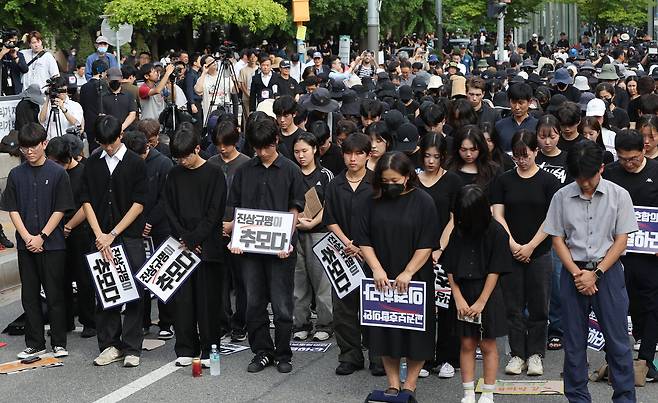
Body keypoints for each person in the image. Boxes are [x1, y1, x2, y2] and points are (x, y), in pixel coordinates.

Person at [544, 140, 638, 402]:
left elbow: (621, 240)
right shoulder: (561, 196)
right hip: (573, 274)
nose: (584, 184)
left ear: (602, 168)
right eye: (578, 178)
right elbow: (557, 240)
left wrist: (595, 274)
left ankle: (624, 398)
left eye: (589, 177)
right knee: (574, 344)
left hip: (608, 274)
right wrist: (577, 273)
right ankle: (577, 398)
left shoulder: (619, 195)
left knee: (618, 343)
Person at [226, 117, 305, 374]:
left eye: (266, 147)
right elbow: (236, 209)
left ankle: (283, 353)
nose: (261, 153)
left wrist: (287, 239)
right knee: (253, 304)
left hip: (282, 250)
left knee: (282, 305)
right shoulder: (245, 171)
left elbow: (295, 209)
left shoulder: (291, 170)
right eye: (257, 148)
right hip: (249, 250)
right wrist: (236, 238)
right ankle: (262, 351)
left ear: (276, 142)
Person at [357, 151, 439, 397]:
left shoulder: (423, 201)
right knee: (384, 331)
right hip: (381, 275)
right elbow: (364, 239)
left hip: (415, 276)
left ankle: (410, 384)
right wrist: (376, 268)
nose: (390, 185)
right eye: (385, 181)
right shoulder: (371, 201)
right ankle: (393, 383)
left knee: (416, 334)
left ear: (407, 177)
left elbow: (427, 242)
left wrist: (409, 272)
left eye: (395, 181)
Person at [1, 122, 74, 359]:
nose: (29, 152)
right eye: (25, 148)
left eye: (34, 147)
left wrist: (42, 236)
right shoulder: (15, 174)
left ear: (44, 144)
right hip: (26, 244)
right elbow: (12, 209)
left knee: (55, 294)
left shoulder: (58, 173)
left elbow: (61, 209)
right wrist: (26, 237)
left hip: (52, 244)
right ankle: (35, 342)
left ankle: (59, 341)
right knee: (29, 295)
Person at [80, 115, 148, 368]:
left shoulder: (135, 163)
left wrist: (113, 234)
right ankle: (109, 344)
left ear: (120, 136)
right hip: (99, 237)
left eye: (112, 142)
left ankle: (132, 347)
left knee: (133, 293)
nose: (108, 148)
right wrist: (100, 235)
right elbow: (85, 200)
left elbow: (139, 204)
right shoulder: (92, 164)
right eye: (104, 143)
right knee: (105, 291)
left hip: (127, 237)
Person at [491, 130, 560, 377]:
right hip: (511, 251)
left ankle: (535, 354)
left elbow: (553, 218)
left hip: (540, 251)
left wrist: (530, 245)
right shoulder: (504, 180)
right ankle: (517, 354)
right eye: (517, 156)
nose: (521, 160)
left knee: (540, 305)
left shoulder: (549, 182)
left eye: (526, 155)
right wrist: (513, 244)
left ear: (536, 152)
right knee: (513, 306)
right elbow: (497, 215)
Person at [164, 123, 227, 367]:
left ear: (198, 149)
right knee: (183, 301)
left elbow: (215, 213)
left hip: (207, 248)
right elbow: (169, 208)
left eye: (185, 157)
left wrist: (194, 239)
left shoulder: (214, 173)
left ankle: (210, 350)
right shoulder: (174, 174)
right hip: (181, 246)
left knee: (208, 303)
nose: (182, 162)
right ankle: (185, 348)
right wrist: (185, 238)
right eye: (177, 158)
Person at [323, 133, 384, 376]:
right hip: (343, 252)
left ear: (368, 155)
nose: (352, 158)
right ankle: (350, 355)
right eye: (348, 153)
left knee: (375, 304)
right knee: (344, 307)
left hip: (373, 254)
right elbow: (330, 219)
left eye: (359, 153)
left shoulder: (376, 182)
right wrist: (348, 242)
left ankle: (379, 357)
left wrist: (362, 245)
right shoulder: (335, 184)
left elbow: (382, 220)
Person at [444, 184, 512, 403]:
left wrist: (482, 301)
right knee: (466, 344)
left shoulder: (496, 231)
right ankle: (467, 392)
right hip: (463, 290)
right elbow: (451, 266)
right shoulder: (459, 229)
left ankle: (488, 393)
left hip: (488, 292)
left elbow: (496, 269)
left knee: (488, 344)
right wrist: (458, 297)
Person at [604, 129, 658, 381]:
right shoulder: (612, 173)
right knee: (617, 303)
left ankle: (646, 358)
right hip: (616, 252)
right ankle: (614, 356)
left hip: (649, 253)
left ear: (644, 150)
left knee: (651, 304)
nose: (628, 163)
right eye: (623, 158)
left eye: (633, 158)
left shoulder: (656, 172)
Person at [416, 133, 463, 379]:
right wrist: (424, 248)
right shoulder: (412, 180)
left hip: (447, 252)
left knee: (447, 306)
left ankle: (447, 358)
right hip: (418, 252)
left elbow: (454, 218)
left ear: (444, 157)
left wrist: (439, 248)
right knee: (422, 306)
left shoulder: (453, 181)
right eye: (427, 156)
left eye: (436, 156)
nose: (431, 161)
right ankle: (423, 357)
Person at [122, 131, 175, 338]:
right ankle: (141, 321)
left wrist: (151, 221)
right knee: (138, 276)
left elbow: (165, 197)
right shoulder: (127, 163)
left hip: (160, 227)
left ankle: (166, 322)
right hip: (134, 228)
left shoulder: (163, 164)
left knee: (161, 276)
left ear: (147, 148)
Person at [45, 136, 96, 338]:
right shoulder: (53, 174)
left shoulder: (83, 172)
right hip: (57, 230)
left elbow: (86, 205)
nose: (55, 165)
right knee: (60, 278)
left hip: (80, 230)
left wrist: (69, 225)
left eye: (58, 162)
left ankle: (89, 321)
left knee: (84, 278)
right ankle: (64, 321)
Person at [209, 120, 251, 342]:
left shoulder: (246, 164)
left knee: (242, 280)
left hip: (240, 228)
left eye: (226, 144)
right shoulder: (211, 163)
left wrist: (234, 224)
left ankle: (241, 322)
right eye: (218, 144)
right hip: (215, 229)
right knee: (220, 280)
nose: (222, 148)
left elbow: (251, 201)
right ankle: (223, 322)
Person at [291, 132, 334, 341]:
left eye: (305, 151)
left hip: (320, 233)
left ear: (315, 150)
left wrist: (314, 222)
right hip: (295, 231)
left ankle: (325, 324)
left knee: (322, 282)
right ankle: (301, 323)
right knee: (298, 281)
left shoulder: (325, 174)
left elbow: (330, 204)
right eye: (297, 151)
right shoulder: (291, 172)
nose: (301, 155)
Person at [447, 125, 500, 194]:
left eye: (473, 149)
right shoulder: (448, 167)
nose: (468, 154)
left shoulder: (493, 170)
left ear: (481, 148)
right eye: (463, 150)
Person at [494, 83, 538, 152]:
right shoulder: (500, 125)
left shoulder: (537, 126)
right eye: (514, 102)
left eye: (521, 103)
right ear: (509, 101)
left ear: (530, 102)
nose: (517, 107)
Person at [194, 55, 236, 126]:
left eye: (214, 61)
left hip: (225, 112)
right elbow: (198, 91)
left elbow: (234, 91)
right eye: (211, 62)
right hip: (210, 114)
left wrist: (235, 81)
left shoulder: (224, 76)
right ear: (205, 65)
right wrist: (204, 72)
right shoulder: (203, 78)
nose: (214, 63)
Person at [103, 68, 137, 132]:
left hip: (128, 133)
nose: (115, 82)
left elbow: (132, 114)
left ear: (121, 79)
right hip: (110, 133)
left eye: (117, 80)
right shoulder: (103, 96)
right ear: (107, 79)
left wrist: (121, 128)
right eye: (113, 80)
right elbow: (102, 116)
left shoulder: (129, 94)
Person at [273, 95, 305, 160]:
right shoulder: (273, 135)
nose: (282, 120)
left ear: (294, 114)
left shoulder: (303, 136)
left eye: (286, 116)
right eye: (278, 116)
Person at [0, 28, 28, 95]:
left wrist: (15, 57)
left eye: (14, 41)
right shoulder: (1, 53)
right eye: (10, 41)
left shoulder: (19, 54)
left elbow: (25, 69)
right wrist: (2, 53)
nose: (12, 44)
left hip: (16, 90)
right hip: (2, 89)